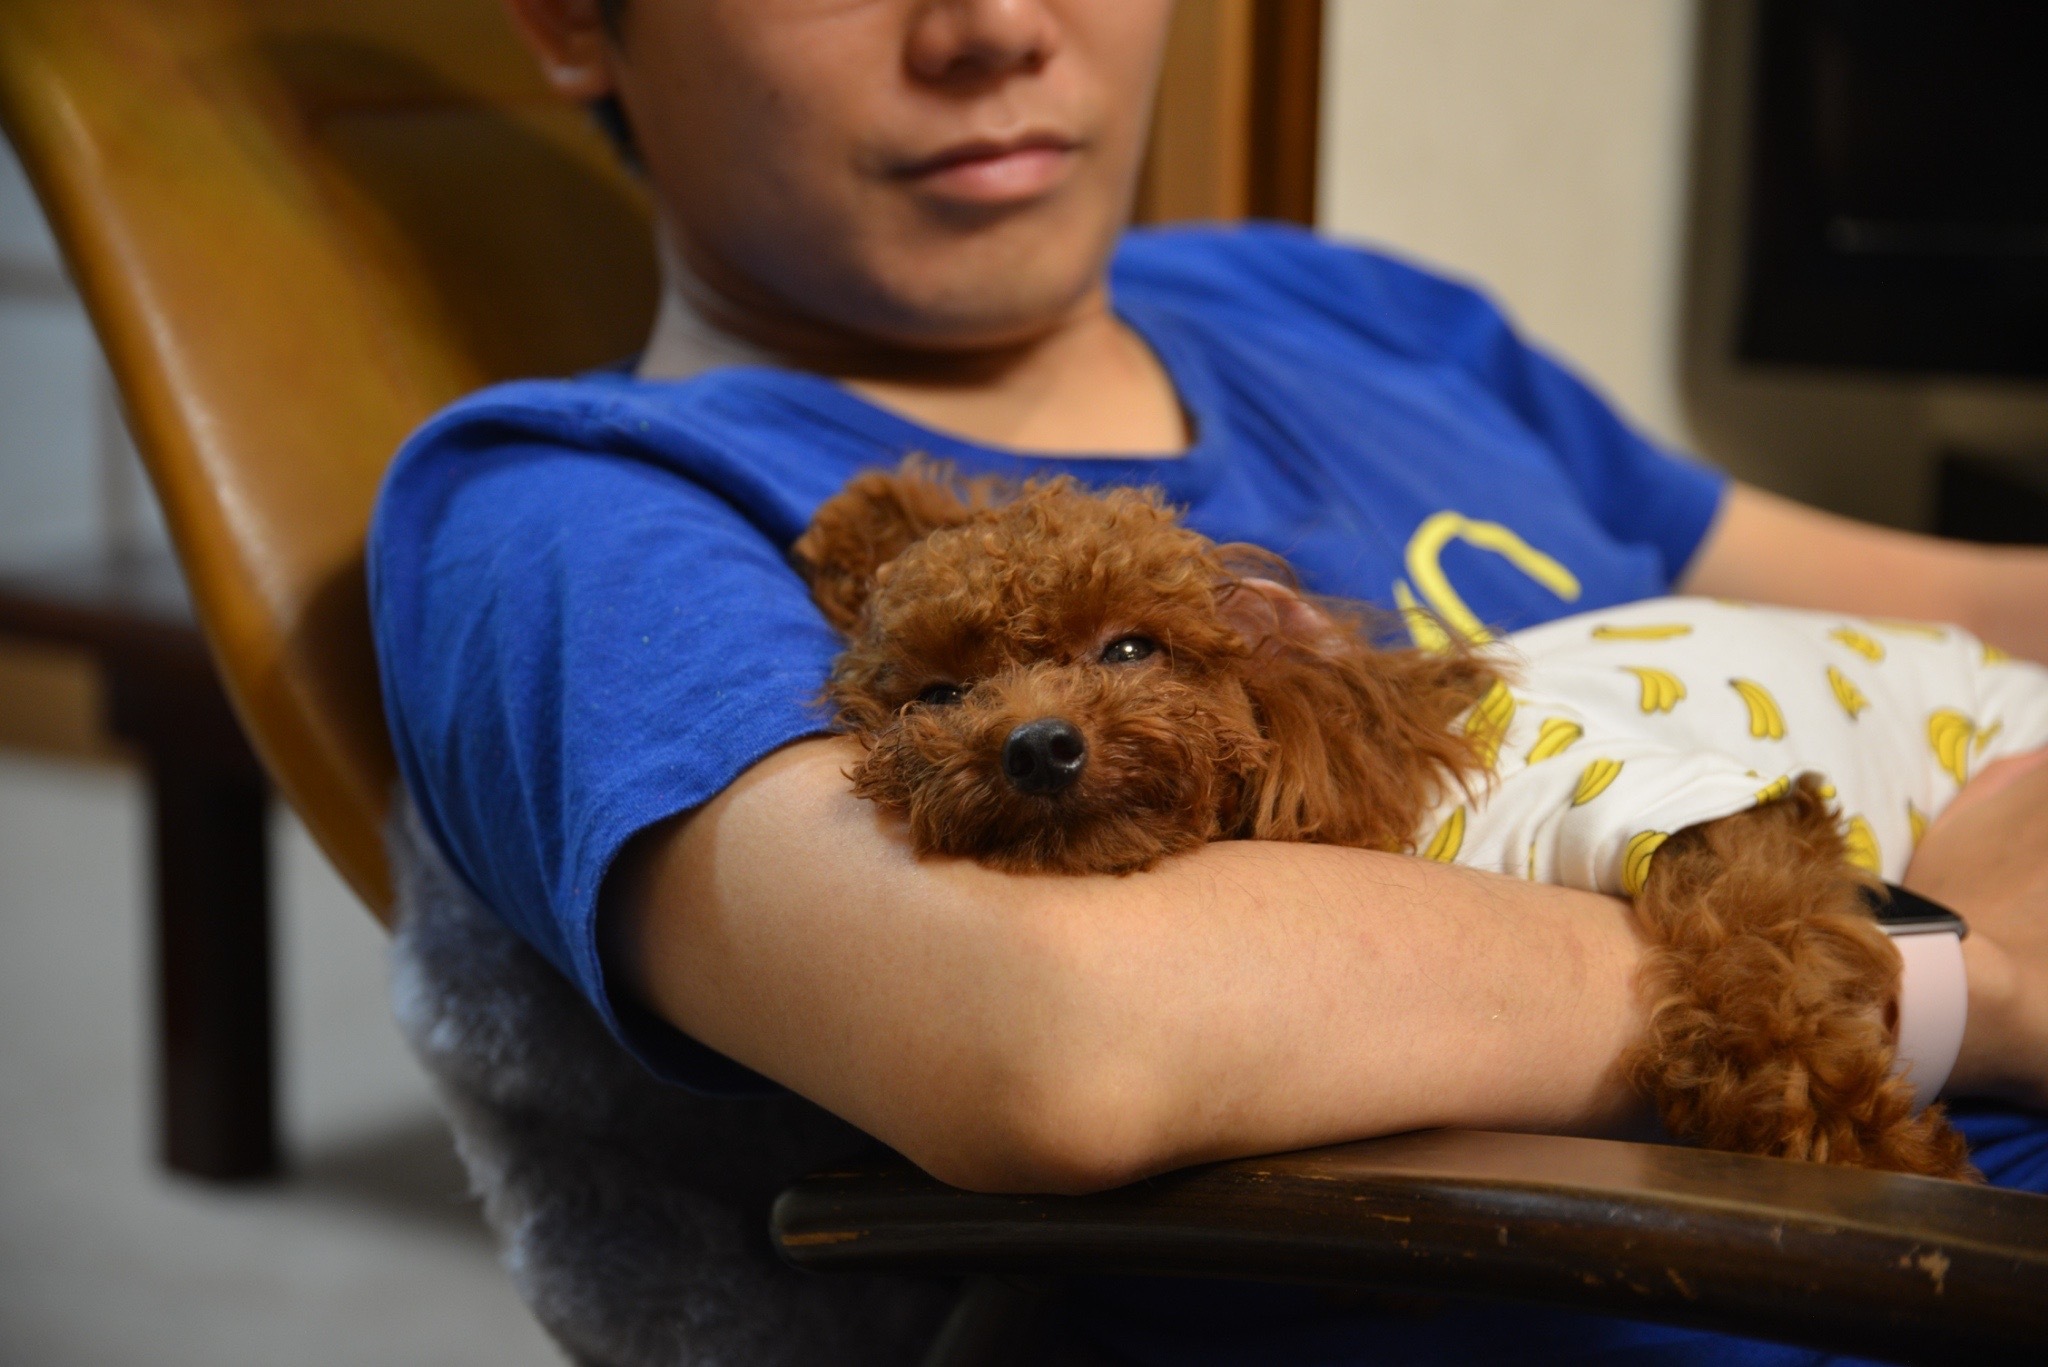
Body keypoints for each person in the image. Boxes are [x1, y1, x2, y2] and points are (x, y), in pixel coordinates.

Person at [368, 1, 2048, 1361]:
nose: (994, 26)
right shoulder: (577, 517)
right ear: (573, 20)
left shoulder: (1329, 300)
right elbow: (1055, 1039)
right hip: (1816, 1279)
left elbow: (1957, 606)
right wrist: (1950, 976)